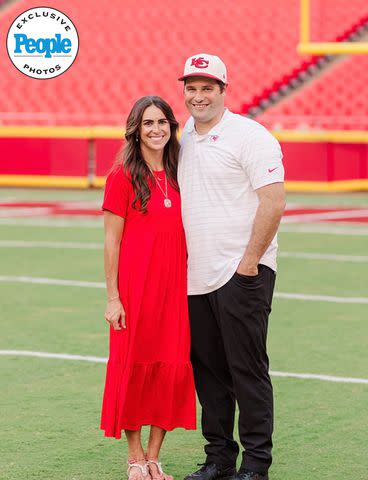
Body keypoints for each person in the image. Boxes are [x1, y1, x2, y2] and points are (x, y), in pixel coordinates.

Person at [177, 54, 286, 480]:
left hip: (242, 273)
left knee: (247, 370)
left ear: (224, 90)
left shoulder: (250, 136)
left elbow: (274, 202)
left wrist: (247, 265)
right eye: (192, 87)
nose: (198, 95)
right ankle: (219, 458)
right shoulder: (184, 134)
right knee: (209, 374)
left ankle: (256, 464)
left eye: (208, 88)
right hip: (196, 278)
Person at [101, 95, 196, 480]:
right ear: (135, 130)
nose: (156, 129)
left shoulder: (181, 172)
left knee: (170, 369)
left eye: (162, 122)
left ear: (172, 127)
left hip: (176, 290)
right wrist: (113, 297)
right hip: (136, 290)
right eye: (147, 123)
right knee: (133, 368)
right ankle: (135, 456)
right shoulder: (122, 176)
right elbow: (111, 242)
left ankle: (155, 457)